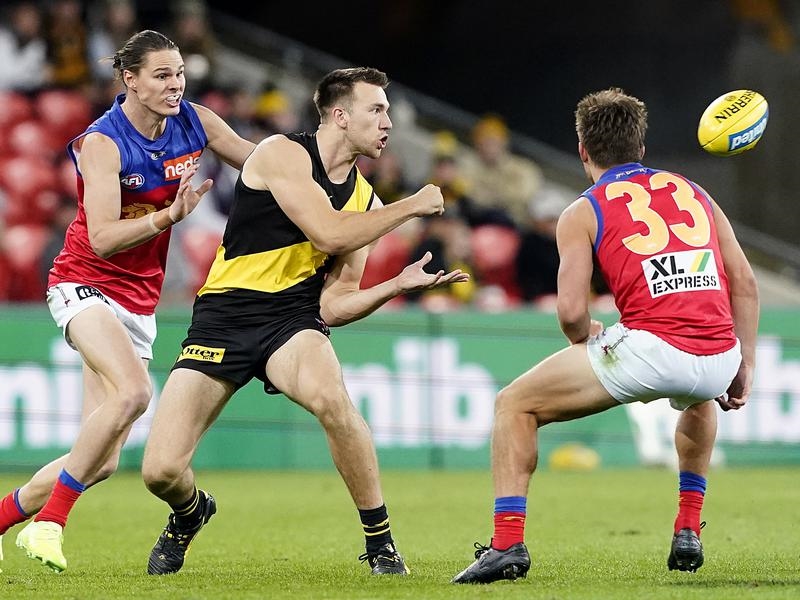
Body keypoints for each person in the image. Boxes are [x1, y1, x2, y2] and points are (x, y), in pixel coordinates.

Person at [140, 66, 469, 577]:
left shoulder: (365, 201)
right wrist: (412, 206)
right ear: (340, 115)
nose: (387, 123)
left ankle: (380, 543)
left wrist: (395, 286)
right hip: (223, 316)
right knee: (160, 471)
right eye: (376, 110)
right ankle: (190, 512)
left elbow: (334, 306)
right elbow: (329, 233)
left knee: (333, 400)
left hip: (289, 321)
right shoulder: (282, 153)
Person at [451, 87, 759, 584]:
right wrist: (744, 362)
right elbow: (743, 281)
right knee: (698, 395)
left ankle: (506, 544)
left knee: (514, 405)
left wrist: (589, 331)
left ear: (582, 150)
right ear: (641, 147)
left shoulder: (582, 210)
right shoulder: (695, 192)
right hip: (718, 353)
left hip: (650, 350)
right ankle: (687, 527)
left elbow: (571, 314)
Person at [0, 29, 256, 573]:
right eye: (162, 75)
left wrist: (324, 162)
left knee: (100, 461)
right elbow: (102, 238)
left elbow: (260, 165)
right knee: (135, 392)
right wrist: (169, 216)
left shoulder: (196, 121)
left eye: (179, 73)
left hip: (138, 302)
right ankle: (50, 523)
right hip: (83, 283)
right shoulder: (103, 143)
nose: (175, 84)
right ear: (130, 80)